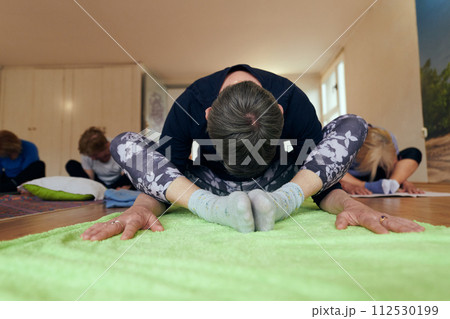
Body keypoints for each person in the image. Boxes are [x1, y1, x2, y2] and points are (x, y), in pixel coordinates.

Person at [81, 64, 424, 241]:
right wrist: (141, 209)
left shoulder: (294, 102)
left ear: (281, 113)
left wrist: (351, 205)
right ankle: (214, 210)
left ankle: (282, 201)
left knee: (353, 123)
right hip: (206, 186)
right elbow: (163, 179)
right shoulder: (190, 105)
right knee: (125, 142)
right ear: (209, 115)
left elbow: (322, 180)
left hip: (280, 184)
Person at [340, 126, 424, 195]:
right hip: (351, 176)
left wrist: (403, 181)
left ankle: (392, 184)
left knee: (413, 152)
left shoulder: (388, 138)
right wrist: (346, 185)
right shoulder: (343, 141)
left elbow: (392, 166)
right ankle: (373, 186)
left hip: (379, 177)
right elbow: (332, 171)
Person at [65, 127, 134, 190]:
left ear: (107, 146)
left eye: (95, 155)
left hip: (117, 183)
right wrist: (91, 187)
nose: (92, 158)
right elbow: (89, 179)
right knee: (71, 164)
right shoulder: (87, 152)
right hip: (99, 183)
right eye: (90, 156)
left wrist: (125, 187)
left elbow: (125, 176)